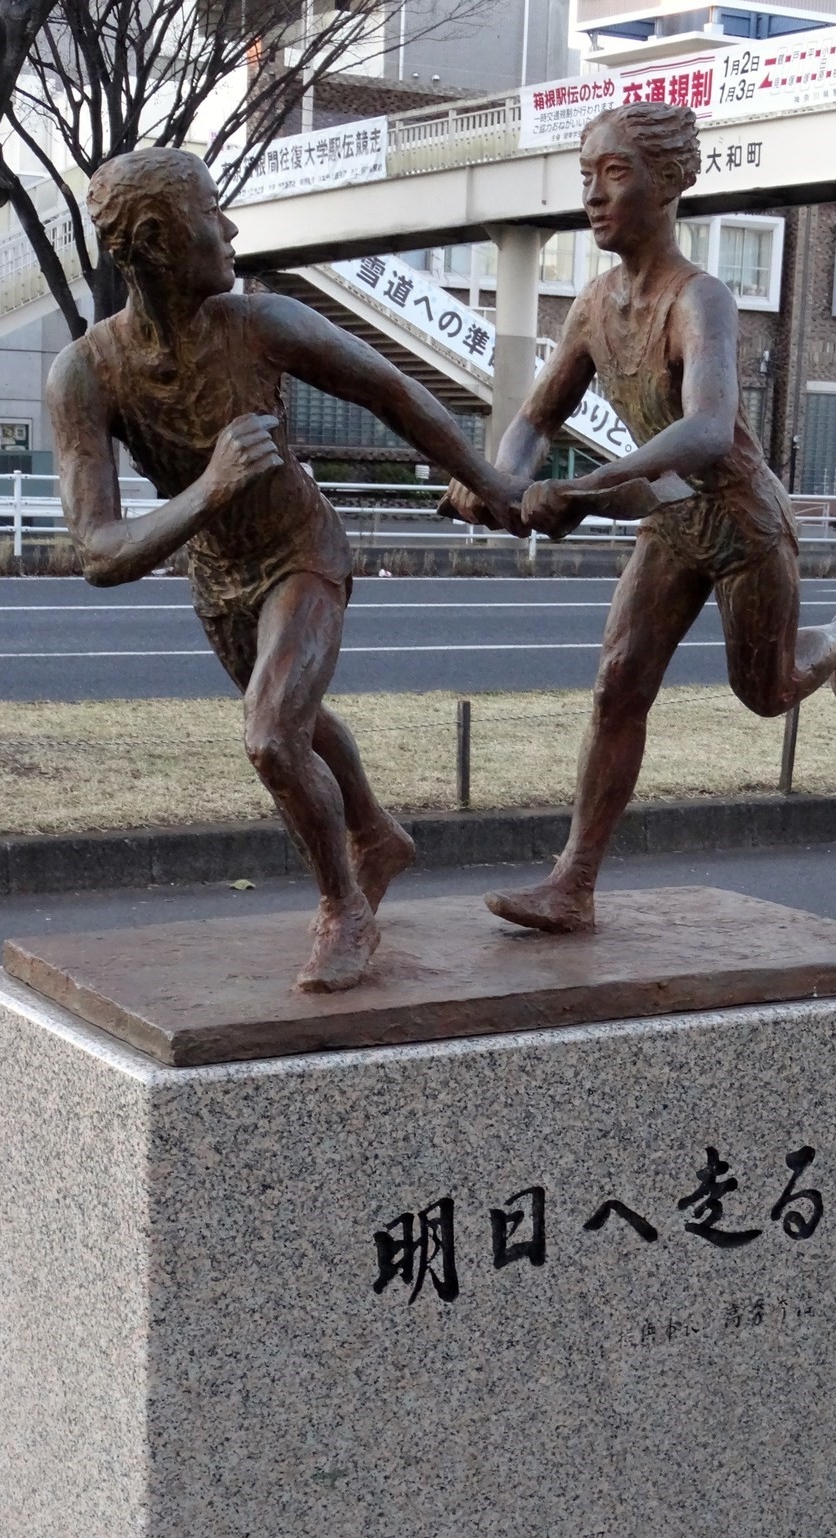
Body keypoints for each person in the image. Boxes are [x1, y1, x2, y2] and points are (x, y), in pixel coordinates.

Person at [48, 149, 524, 991]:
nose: (230, 229)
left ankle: (345, 908)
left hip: (301, 548)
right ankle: (375, 831)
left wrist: (493, 486)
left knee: (272, 733)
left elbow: (395, 393)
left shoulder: (262, 323)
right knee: (292, 716)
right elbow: (97, 551)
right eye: (211, 213)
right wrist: (209, 489)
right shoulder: (85, 372)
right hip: (216, 574)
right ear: (158, 242)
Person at [448, 100, 836, 934]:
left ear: (671, 185)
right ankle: (571, 884)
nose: (594, 196)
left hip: (742, 522)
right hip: (673, 523)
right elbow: (537, 418)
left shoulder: (700, 300)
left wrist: (582, 489)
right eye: (587, 177)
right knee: (616, 688)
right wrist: (504, 483)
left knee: (767, 690)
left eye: (616, 175)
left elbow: (708, 429)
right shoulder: (590, 307)